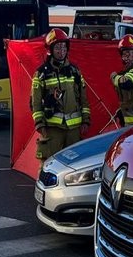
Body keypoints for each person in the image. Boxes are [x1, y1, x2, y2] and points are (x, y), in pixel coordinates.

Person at [31, 28, 90, 162]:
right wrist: (40, 125)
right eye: (58, 47)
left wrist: (86, 120)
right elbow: (35, 102)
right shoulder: (41, 73)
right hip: (52, 129)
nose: (61, 50)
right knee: (49, 163)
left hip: (74, 129)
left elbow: (83, 98)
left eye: (64, 47)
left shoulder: (75, 71)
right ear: (50, 50)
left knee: (75, 164)